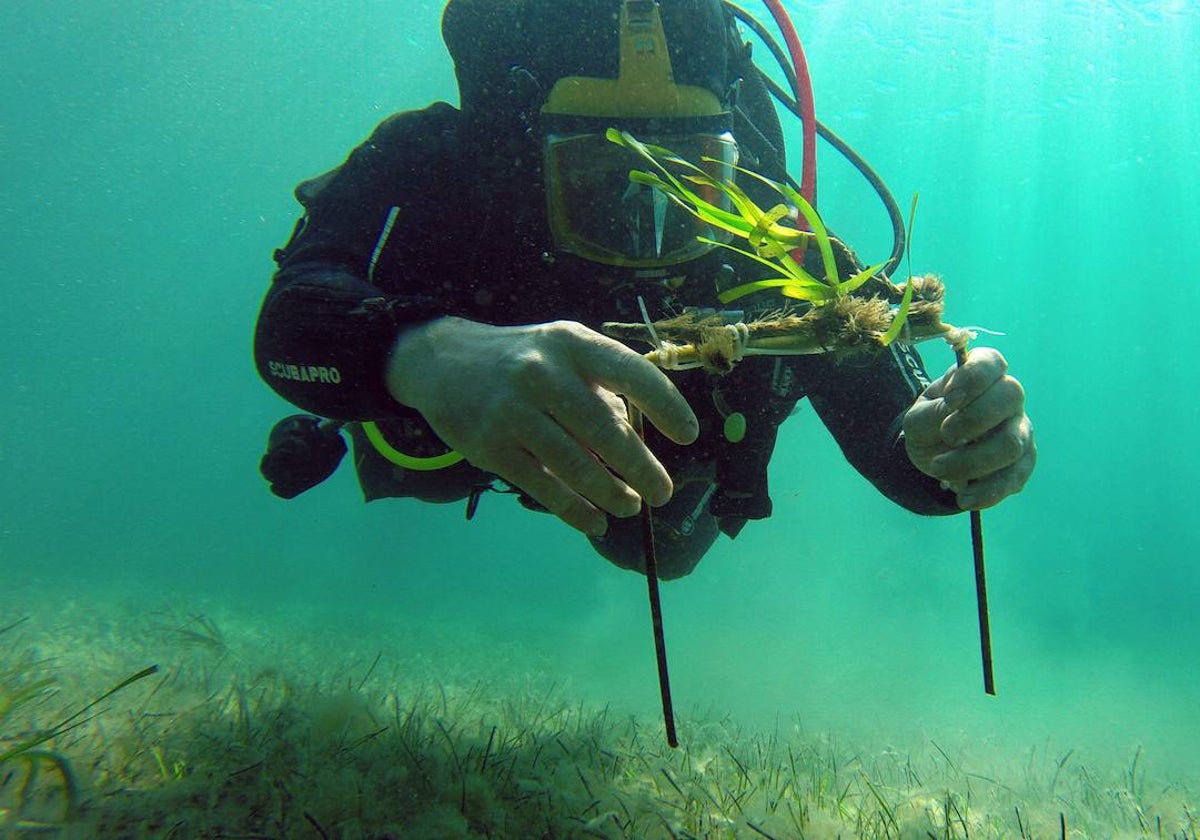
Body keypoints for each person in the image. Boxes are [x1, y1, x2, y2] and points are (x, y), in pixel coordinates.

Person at [254, 0, 1036, 580]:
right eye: (604, 181)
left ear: (733, 164)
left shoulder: (770, 232)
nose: (649, 226)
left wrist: (950, 455)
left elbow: (898, 436)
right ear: (528, 161)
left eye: (695, 178)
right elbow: (291, 318)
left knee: (658, 547)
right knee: (416, 461)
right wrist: (421, 353)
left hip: (655, 481)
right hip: (443, 429)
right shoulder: (434, 163)